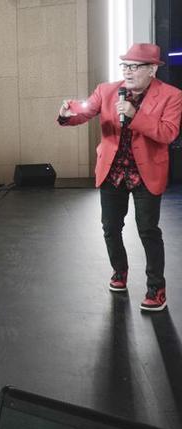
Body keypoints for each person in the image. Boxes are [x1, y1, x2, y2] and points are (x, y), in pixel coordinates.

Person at [58, 42, 182, 311]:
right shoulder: (107, 90)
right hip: (113, 171)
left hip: (146, 173)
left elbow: (169, 133)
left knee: (148, 231)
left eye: (134, 66)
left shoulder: (172, 96)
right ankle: (119, 271)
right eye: (125, 65)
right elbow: (86, 110)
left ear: (152, 70)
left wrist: (135, 116)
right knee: (110, 227)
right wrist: (68, 114)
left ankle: (156, 289)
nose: (127, 71)